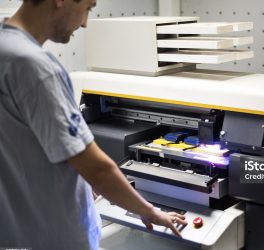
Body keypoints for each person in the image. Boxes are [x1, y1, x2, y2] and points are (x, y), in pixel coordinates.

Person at [0, 0, 186, 249]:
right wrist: (150, 211)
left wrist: (77, 177)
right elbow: (97, 169)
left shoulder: (5, 48)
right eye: (87, 7)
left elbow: (24, 139)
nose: (85, 22)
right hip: (57, 238)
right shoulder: (36, 67)